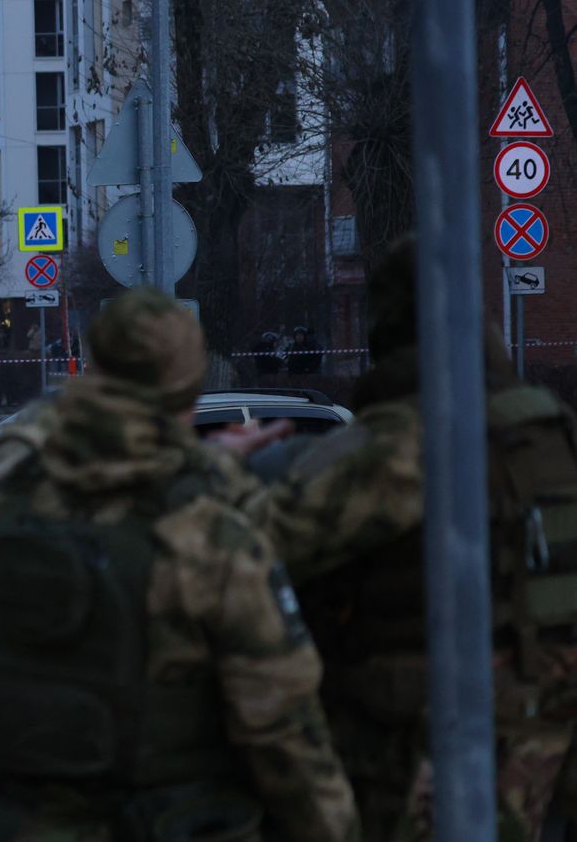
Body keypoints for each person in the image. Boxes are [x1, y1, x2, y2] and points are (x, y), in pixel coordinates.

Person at [0, 288, 359, 842]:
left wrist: (177, 448)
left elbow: (28, 439)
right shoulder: (210, 536)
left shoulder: (12, 492)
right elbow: (282, 728)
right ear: (187, 390)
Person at [241, 237, 577, 840]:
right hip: (547, 739)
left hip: (431, 750)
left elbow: (246, 557)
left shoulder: (398, 443)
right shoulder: (554, 433)